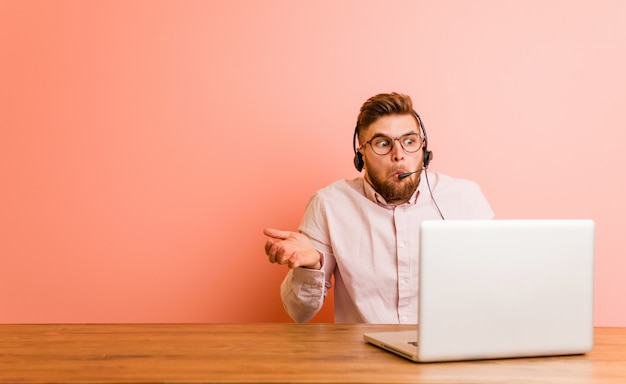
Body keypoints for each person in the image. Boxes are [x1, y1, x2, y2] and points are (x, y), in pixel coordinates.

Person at [263, 92, 494, 323]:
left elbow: (495, 286)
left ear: (424, 150)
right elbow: (299, 312)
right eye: (383, 144)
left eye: (409, 142)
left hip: (448, 353)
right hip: (363, 356)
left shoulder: (465, 198)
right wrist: (311, 266)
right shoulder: (328, 204)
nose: (399, 155)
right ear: (360, 154)